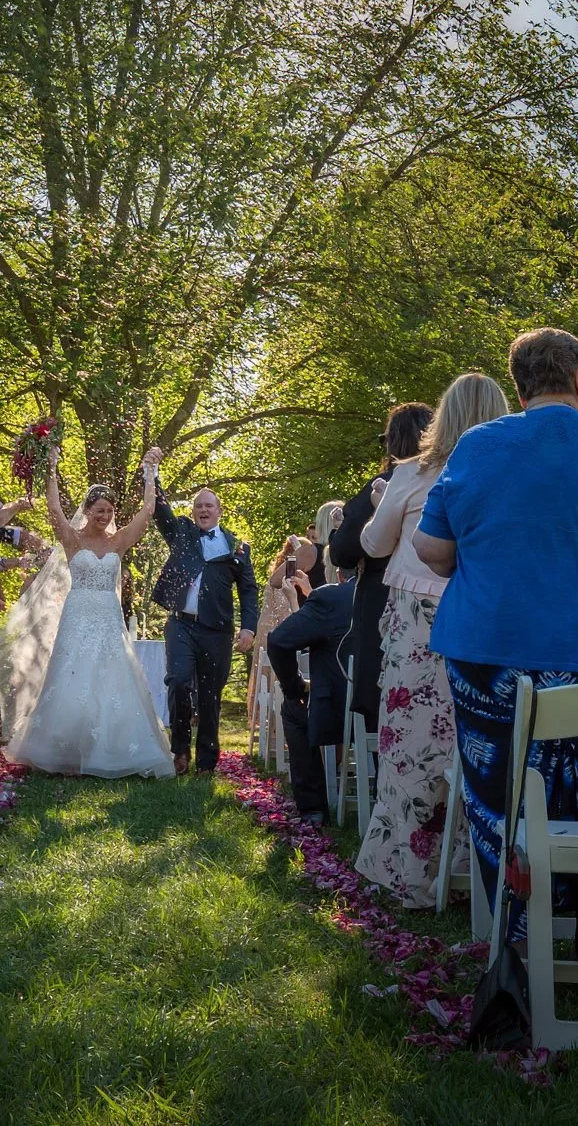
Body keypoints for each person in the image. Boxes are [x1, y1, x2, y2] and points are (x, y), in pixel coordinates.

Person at [412, 328, 578, 961]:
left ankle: (518, 932)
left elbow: (433, 548)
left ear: (520, 383)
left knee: (498, 788)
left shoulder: (478, 446)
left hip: (490, 646)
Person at [355, 371, 508, 907]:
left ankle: (408, 872)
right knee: (476, 740)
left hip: (418, 616)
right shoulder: (505, 470)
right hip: (484, 611)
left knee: (412, 746)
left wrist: (382, 503)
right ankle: (471, 870)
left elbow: (373, 545)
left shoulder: (414, 471)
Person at [7, 446, 174, 777]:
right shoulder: (72, 540)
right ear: (87, 510)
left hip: (108, 616)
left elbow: (148, 509)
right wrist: (51, 466)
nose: (106, 515)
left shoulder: (119, 541)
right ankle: (64, 749)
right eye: (100, 509)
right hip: (78, 613)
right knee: (73, 672)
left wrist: (149, 473)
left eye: (110, 510)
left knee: (112, 675)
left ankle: (112, 748)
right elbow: (54, 508)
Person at [326, 402, 434, 744]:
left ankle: (382, 785)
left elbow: (342, 552)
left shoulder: (388, 484)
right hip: (434, 605)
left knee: (386, 703)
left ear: (394, 443)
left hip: (382, 608)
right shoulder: (448, 481)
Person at [150, 473, 259, 776]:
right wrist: (154, 475)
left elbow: (249, 590)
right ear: (193, 511)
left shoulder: (236, 546)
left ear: (219, 511)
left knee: (211, 694)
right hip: (181, 625)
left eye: (209, 505)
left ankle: (207, 762)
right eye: (198, 506)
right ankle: (181, 750)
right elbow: (161, 510)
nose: (203, 510)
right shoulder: (182, 533)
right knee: (179, 681)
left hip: (217, 630)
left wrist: (248, 627)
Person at [265, 568, 356, 823]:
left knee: (293, 709)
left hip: (342, 710)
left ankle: (313, 809)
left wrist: (295, 688)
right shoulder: (404, 591)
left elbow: (279, 641)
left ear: (339, 574)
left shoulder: (333, 598)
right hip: (394, 707)